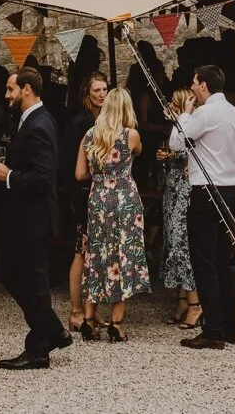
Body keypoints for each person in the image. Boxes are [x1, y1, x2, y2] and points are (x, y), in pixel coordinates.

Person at [0, 68, 73, 370]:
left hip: (34, 220)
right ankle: (52, 330)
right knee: (11, 275)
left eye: (10, 89)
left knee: (33, 281)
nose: (6, 95)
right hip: (24, 219)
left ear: (27, 89)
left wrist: (9, 175)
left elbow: (43, 177)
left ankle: (40, 348)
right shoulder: (30, 120)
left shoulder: (39, 124)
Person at [171, 63, 235, 350]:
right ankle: (232, 326)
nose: (192, 88)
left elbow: (175, 142)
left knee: (204, 261)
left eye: (194, 83)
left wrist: (185, 112)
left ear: (203, 85)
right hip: (230, 190)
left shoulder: (204, 114)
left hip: (205, 191)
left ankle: (214, 329)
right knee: (222, 260)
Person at [77, 86, 150, 339]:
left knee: (96, 253)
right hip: (124, 200)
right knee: (123, 255)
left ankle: (88, 319)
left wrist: (99, 175)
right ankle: (116, 324)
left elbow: (79, 174)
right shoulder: (131, 135)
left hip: (97, 198)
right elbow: (138, 153)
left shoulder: (89, 135)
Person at [64, 71, 109, 338]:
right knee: (81, 249)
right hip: (83, 192)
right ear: (86, 94)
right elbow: (74, 164)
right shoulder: (80, 123)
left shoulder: (104, 120)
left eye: (105, 89)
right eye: (97, 91)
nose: (102, 94)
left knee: (96, 251)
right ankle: (76, 310)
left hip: (99, 191)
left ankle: (93, 306)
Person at [156, 87, 200, 327]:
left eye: (173, 103)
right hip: (172, 188)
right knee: (171, 241)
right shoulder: (175, 126)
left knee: (181, 241)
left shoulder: (190, 124)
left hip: (185, 188)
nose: (169, 106)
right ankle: (181, 298)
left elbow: (193, 152)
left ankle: (196, 304)